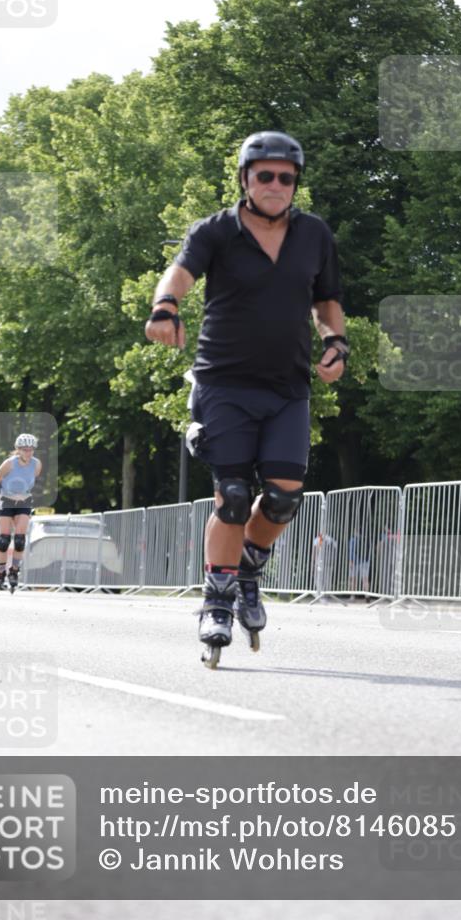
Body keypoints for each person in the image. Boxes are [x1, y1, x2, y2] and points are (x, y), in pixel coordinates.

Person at [145, 130, 347, 667]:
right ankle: (216, 601)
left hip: (288, 388)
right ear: (245, 179)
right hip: (224, 384)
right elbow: (181, 271)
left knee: (282, 499)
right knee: (233, 496)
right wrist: (166, 305)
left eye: (286, 176)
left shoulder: (314, 235)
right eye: (265, 176)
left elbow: (327, 299)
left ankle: (250, 568)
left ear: (295, 182)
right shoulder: (216, 231)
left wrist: (337, 341)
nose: (276, 185)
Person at [0, 433, 42, 595]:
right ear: (18, 450)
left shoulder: (37, 464)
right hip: (6, 501)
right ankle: (0, 573)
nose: (28, 452)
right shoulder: (9, 464)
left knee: (19, 540)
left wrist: (23, 495)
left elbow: (31, 482)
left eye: (31, 449)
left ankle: (14, 570)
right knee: (4, 540)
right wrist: (3, 497)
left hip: (24, 502)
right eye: (25, 449)